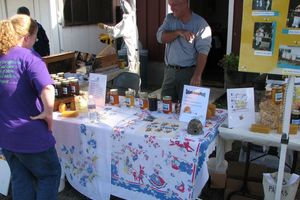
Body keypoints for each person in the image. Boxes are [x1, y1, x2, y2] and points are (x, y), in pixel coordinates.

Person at [0, 14, 61, 200]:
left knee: (21, 178)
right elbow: (48, 88)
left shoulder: (2, 55)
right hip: (30, 135)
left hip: (6, 135)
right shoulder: (29, 57)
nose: (36, 41)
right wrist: (48, 113)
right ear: (27, 37)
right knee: (50, 174)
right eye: (35, 37)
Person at [157, 0, 212, 102]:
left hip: (189, 73)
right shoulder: (169, 19)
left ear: (186, 3)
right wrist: (178, 32)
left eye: (175, 5)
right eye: (170, 5)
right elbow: (160, 38)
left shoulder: (201, 24)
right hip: (169, 72)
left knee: (189, 109)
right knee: (166, 107)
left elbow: (203, 53)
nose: (172, 8)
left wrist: (197, 75)